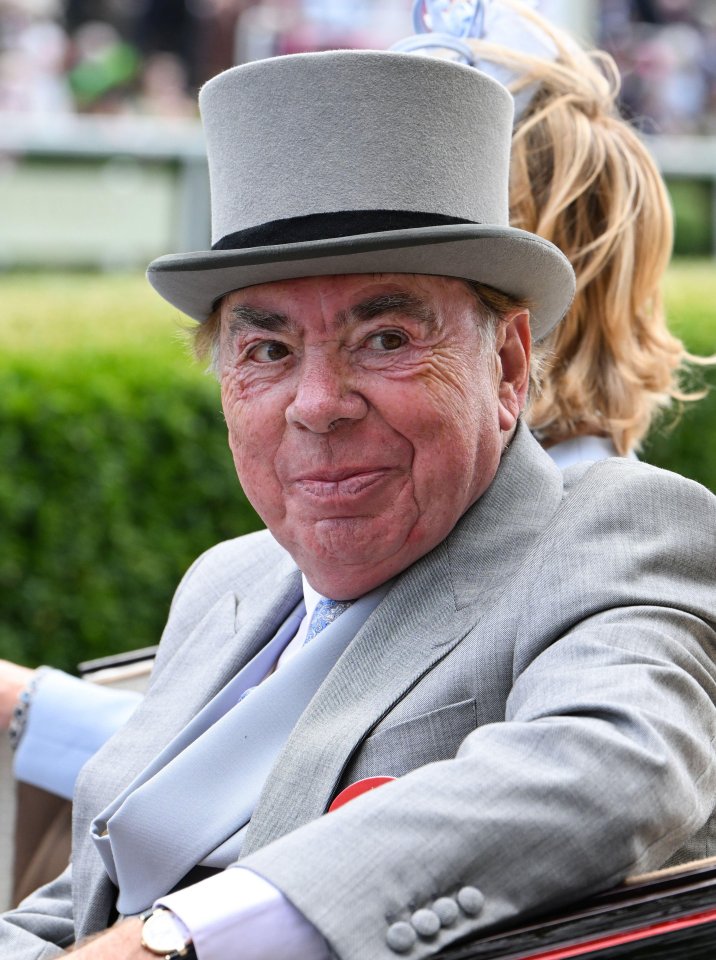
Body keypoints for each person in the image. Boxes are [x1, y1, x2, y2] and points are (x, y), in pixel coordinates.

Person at [2, 47, 715, 960]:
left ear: (503, 366)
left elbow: (611, 768)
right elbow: (87, 902)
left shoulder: (619, 533)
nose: (317, 403)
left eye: (385, 337)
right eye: (266, 351)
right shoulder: (228, 580)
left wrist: (181, 942)